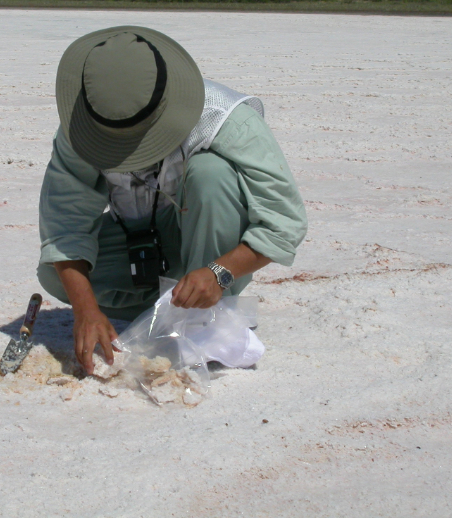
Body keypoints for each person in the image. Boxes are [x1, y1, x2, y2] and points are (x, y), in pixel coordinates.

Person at [36, 26, 307, 374]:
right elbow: (64, 226)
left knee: (212, 174)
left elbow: (284, 222)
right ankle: (167, 306)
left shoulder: (226, 117)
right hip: (135, 236)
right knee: (56, 274)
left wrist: (220, 272)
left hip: (206, 241)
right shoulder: (82, 125)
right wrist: (86, 310)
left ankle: (209, 309)